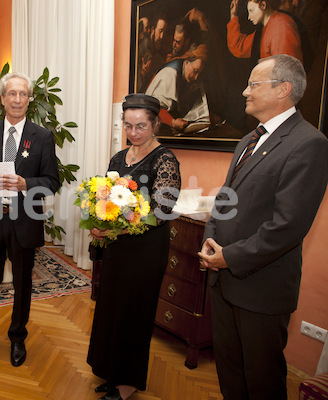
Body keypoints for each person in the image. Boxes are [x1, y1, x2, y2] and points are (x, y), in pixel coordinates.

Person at [198, 54, 328, 400]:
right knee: (230, 370)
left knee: (261, 379)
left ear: (283, 89)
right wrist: (210, 239)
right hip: (223, 280)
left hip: (261, 288)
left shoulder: (309, 144)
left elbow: (287, 226)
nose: (244, 92)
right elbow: (224, 200)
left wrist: (229, 257)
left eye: (254, 84)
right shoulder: (248, 140)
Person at [87, 93, 181, 400]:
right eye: (128, 125)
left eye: (141, 126)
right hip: (118, 248)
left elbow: (163, 211)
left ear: (155, 123)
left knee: (134, 314)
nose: (134, 133)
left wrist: (120, 225)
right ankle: (112, 371)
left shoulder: (164, 160)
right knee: (112, 309)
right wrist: (100, 219)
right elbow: (105, 196)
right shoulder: (118, 157)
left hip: (145, 250)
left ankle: (126, 384)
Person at [0, 72, 60, 367]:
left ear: (29, 100)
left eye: (23, 94)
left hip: (24, 220)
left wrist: (26, 185)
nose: (17, 99)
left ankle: (17, 338)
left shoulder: (43, 137)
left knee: (22, 283)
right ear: (3, 98)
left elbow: (52, 181)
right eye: (12, 94)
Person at [146, 44, 210, 133]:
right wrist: (172, 122)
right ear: (187, 62)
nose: (196, 77)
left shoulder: (186, 75)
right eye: (195, 71)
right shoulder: (170, 73)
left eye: (198, 73)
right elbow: (155, 108)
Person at [227, 0, 303, 64]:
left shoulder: (280, 25)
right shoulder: (263, 29)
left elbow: (285, 69)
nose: (249, 17)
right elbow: (239, 46)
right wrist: (233, 15)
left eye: (251, 11)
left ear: (263, 5)